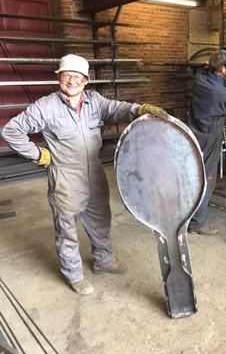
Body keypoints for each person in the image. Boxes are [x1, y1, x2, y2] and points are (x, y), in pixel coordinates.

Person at [1, 54, 168, 295]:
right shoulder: (46, 106)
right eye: (66, 75)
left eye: (77, 76)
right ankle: (74, 275)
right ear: (59, 77)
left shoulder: (94, 101)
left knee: (101, 219)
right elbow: (11, 130)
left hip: (95, 172)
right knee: (66, 227)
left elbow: (116, 109)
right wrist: (39, 155)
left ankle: (104, 260)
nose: (71, 80)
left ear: (86, 80)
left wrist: (138, 109)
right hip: (65, 177)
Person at [188, 47, 226, 236]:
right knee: (206, 179)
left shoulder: (199, 80)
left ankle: (186, 216)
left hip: (194, 132)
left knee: (193, 176)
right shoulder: (222, 94)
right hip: (210, 135)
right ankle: (197, 224)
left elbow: (208, 71)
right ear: (222, 69)